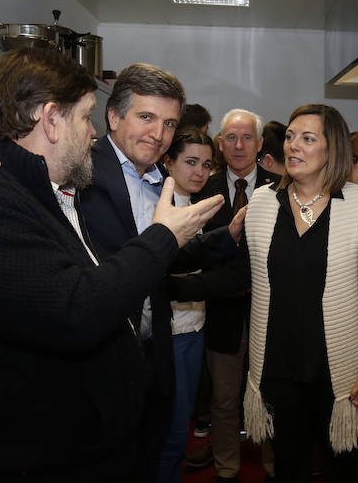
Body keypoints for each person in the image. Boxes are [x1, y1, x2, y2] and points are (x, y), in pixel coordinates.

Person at [0, 60, 247, 482]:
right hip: (9, 458)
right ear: (49, 120)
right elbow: (74, 309)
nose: (93, 132)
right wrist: (163, 237)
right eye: (85, 117)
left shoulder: (41, 190)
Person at [243, 104, 358, 483]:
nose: (293, 146)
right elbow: (241, 274)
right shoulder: (262, 203)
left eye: (307, 139)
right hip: (277, 366)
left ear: (333, 149)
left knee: (345, 469)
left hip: (337, 368)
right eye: (290, 137)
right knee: (288, 467)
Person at [191, 108, 277, 483]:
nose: (238, 146)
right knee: (224, 400)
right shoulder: (201, 189)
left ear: (259, 144)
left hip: (270, 313)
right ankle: (227, 468)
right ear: (220, 143)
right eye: (231, 137)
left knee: (271, 396)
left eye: (247, 138)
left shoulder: (283, 187)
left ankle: (276, 464)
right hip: (222, 311)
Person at [143, 127, 216, 482]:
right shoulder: (158, 207)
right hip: (166, 333)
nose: (199, 171)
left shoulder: (201, 206)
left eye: (205, 164)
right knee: (170, 433)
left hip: (194, 328)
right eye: (190, 162)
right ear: (167, 161)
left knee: (181, 424)